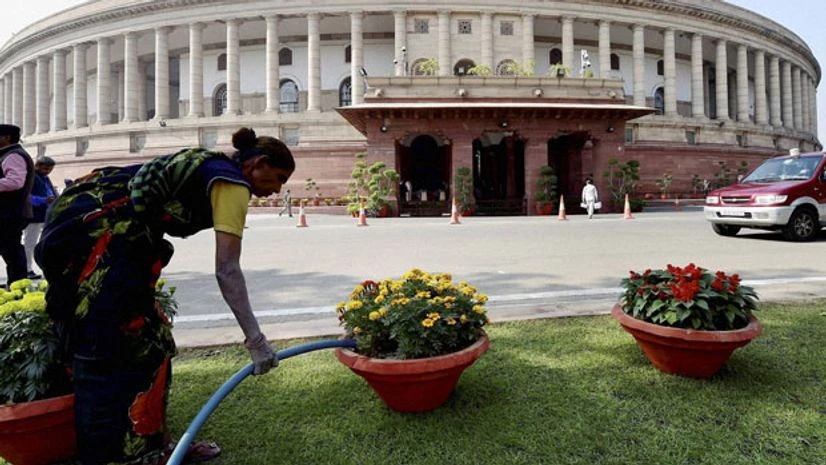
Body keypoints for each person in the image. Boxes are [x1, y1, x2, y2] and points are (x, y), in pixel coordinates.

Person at [35, 127, 294, 465]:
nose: (276, 190)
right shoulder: (232, 184)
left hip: (102, 232)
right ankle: (110, 457)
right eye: (278, 178)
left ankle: (155, 447)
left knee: (152, 342)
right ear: (257, 163)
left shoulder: (213, 164)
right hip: (102, 240)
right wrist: (256, 340)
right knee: (108, 345)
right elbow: (227, 270)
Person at [0, 124, 35, 288]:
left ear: (6, 138)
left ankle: (18, 287)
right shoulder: (8, 154)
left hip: (10, 213)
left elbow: (15, 182)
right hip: (9, 212)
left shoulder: (13, 155)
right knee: (11, 250)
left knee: (12, 250)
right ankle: (16, 286)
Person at [23, 156, 57, 279]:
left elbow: (50, 192)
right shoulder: (32, 177)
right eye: (45, 168)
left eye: (50, 169)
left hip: (45, 215)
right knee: (30, 244)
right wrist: (44, 200)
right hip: (34, 216)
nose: (47, 171)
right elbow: (27, 197)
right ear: (37, 165)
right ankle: (27, 269)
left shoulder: (44, 178)